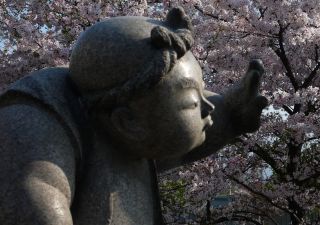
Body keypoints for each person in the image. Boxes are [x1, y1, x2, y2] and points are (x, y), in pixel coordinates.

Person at [0, 7, 267, 225]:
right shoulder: (37, 129)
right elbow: (33, 197)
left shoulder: (127, 136)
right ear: (127, 121)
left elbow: (171, 143)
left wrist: (231, 115)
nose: (209, 106)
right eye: (193, 101)